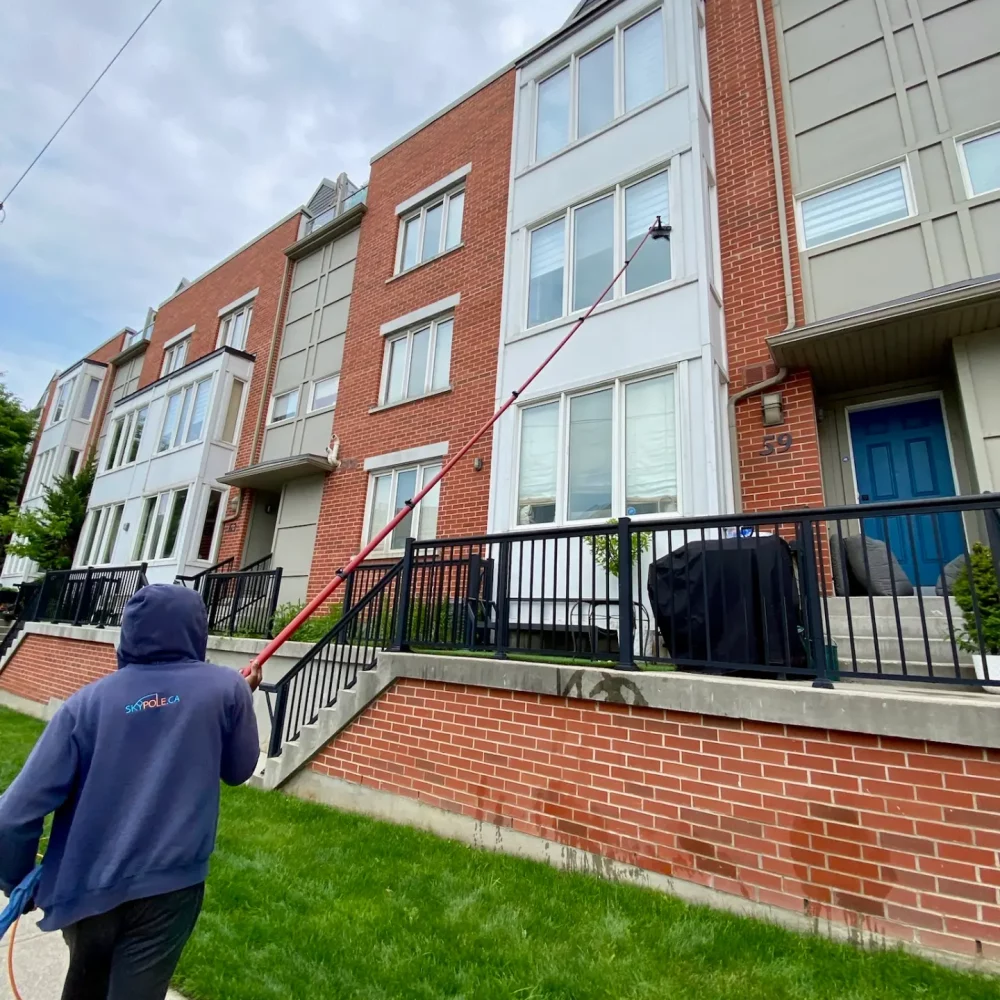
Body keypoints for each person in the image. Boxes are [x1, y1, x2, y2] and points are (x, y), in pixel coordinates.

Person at [0, 583, 262, 1000]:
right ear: (196, 629)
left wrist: (16, 881)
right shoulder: (226, 688)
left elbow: (12, 815)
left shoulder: (84, 704)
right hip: (170, 891)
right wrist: (240, 703)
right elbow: (238, 770)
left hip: (86, 890)